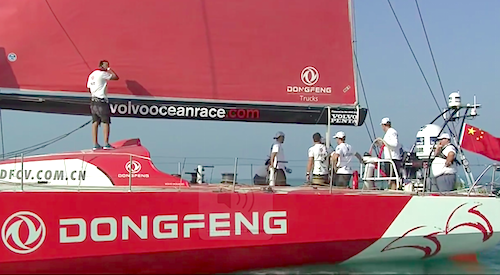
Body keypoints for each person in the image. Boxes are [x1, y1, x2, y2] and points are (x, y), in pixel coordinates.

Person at [87, 60, 119, 150]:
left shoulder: (92, 75)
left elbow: (89, 88)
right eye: (106, 65)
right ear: (101, 66)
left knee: (95, 122)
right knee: (105, 122)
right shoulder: (102, 74)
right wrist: (109, 69)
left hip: (93, 100)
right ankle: (106, 143)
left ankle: (95, 144)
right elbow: (115, 77)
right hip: (101, 100)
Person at [378, 117, 403, 190]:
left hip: (393, 158)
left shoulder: (392, 132)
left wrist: (384, 143)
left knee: (393, 178)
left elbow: (395, 144)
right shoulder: (388, 133)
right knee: (390, 177)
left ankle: (393, 190)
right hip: (389, 158)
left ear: (383, 125)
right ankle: (392, 189)